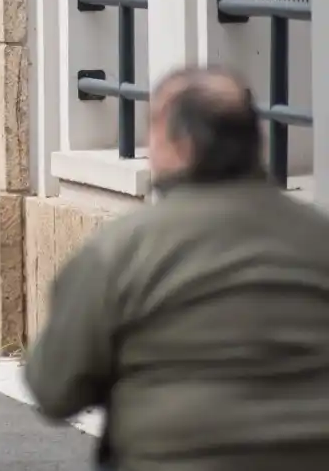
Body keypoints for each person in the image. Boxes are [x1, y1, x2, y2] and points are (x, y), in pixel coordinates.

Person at [25, 66, 329, 471]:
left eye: (153, 130)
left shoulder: (122, 250)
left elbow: (53, 388)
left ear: (183, 145)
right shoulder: (317, 238)